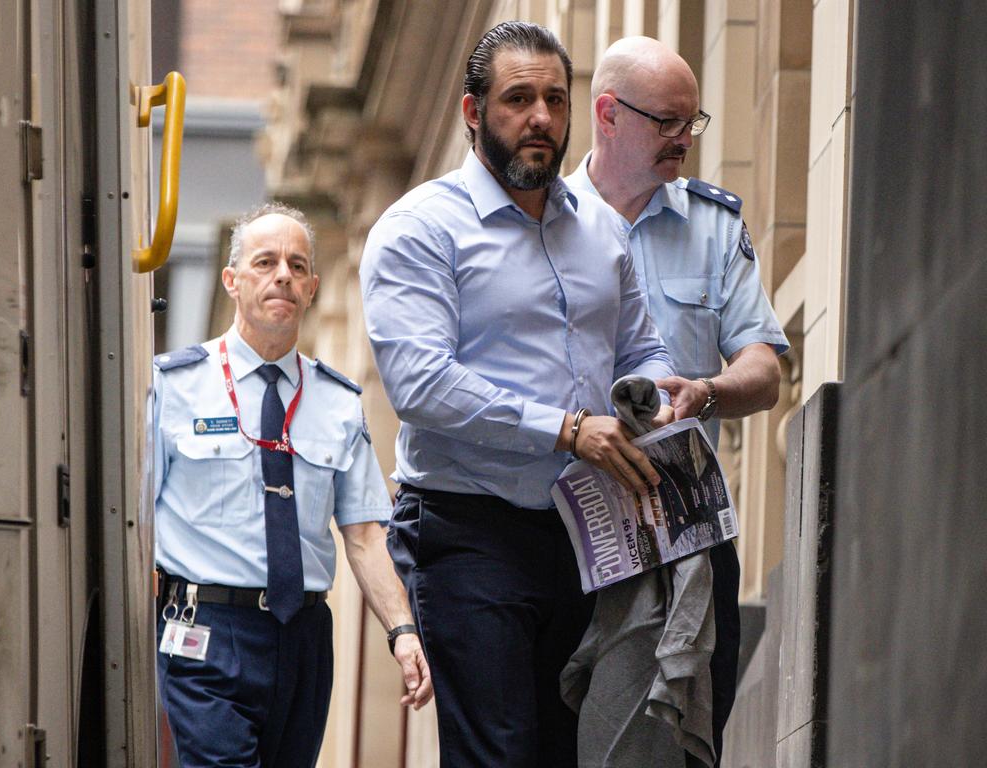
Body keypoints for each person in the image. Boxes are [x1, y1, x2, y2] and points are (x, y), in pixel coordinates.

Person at [359, 21, 676, 768]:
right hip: (468, 534)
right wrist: (568, 430)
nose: (540, 118)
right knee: (496, 754)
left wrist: (663, 395)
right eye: (519, 99)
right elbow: (422, 385)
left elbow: (642, 348)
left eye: (555, 100)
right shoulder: (418, 230)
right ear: (474, 113)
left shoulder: (602, 232)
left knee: (563, 752)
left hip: (587, 536)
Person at [565, 36, 790, 766]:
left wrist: (707, 391)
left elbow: (765, 368)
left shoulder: (714, 226)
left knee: (687, 740)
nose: (683, 141)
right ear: (607, 114)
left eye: (692, 124)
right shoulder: (540, 220)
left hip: (685, 527)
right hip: (564, 531)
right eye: (666, 122)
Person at [153, 203, 432, 768]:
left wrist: (402, 631)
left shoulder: (338, 401)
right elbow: (130, 524)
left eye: (297, 265)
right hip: (205, 629)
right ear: (233, 281)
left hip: (304, 636)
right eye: (265, 262)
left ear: (311, 289)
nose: (283, 274)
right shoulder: (173, 386)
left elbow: (365, 535)